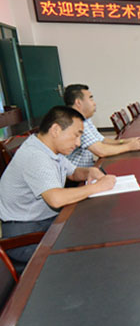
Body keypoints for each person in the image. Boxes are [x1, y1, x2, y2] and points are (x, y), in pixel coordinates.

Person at [0, 106, 116, 272]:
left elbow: (73, 173)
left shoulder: (49, 149)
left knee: (97, 231)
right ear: (55, 130)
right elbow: (56, 199)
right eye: (76, 135)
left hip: (43, 222)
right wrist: (97, 187)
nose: (78, 143)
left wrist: (89, 172)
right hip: (26, 236)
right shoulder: (36, 156)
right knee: (90, 252)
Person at [64, 84, 140, 167]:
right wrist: (129, 146)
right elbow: (101, 151)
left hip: (87, 167)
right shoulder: (76, 122)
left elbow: (102, 140)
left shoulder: (85, 119)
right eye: (90, 99)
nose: (94, 103)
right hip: (75, 172)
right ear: (78, 102)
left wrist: (124, 141)